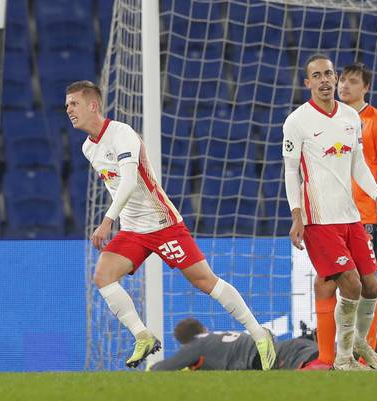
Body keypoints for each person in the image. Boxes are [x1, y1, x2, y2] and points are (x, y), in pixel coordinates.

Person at [64, 80, 275, 370]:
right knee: (103, 276)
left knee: (204, 281)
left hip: (162, 223)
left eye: (74, 103)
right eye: (66, 105)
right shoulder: (89, 148)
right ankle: (143, 336)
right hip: (133, 230)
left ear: (93, 105)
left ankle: (259, 334)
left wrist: (107, 221)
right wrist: (119, 221)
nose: (68, 110)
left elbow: (128, 181)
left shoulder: (122, 133)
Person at [282, 54, 377, 371]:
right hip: (320, 220)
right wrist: (296, 215)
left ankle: (358, 343)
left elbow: (357, 162)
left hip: (351, 217)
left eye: (329, 74)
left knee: (371, 286)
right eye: (317, 75)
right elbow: (291, 172)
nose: (325, 80)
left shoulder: (349, 117)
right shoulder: (297, 121)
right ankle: (343, 358)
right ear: (308, 83)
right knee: (352, 284)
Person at [149, 292, 377, 371]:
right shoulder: (219, 337)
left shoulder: (196, 349)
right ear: (204, 328)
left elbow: (162, 368)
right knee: (358, 364)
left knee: (344, 369)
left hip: (287, 358)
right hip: (287, 347)